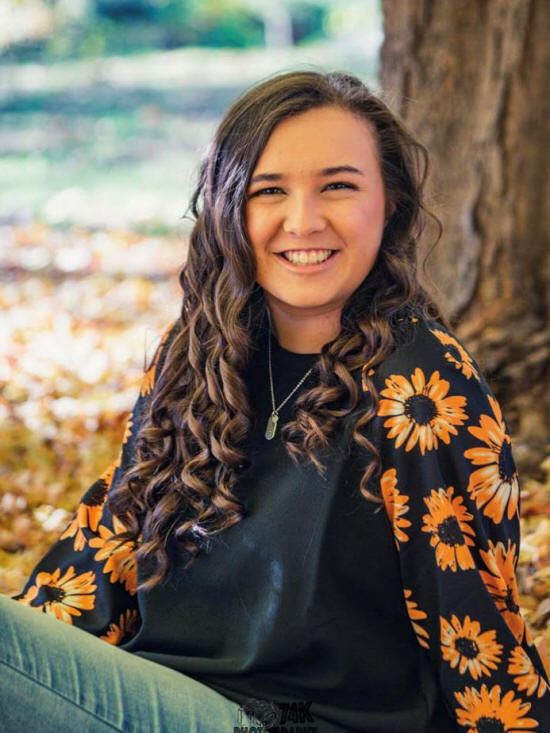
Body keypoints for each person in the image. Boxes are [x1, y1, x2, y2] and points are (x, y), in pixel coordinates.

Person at [1, 69, 549, 733]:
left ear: (391, 203)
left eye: (338, 186)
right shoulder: (196, 356)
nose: (303, 221)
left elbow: (475, 625)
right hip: (163, 698)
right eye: (269, 191)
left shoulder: (421, 386)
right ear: (228, 209)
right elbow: (107, 550)